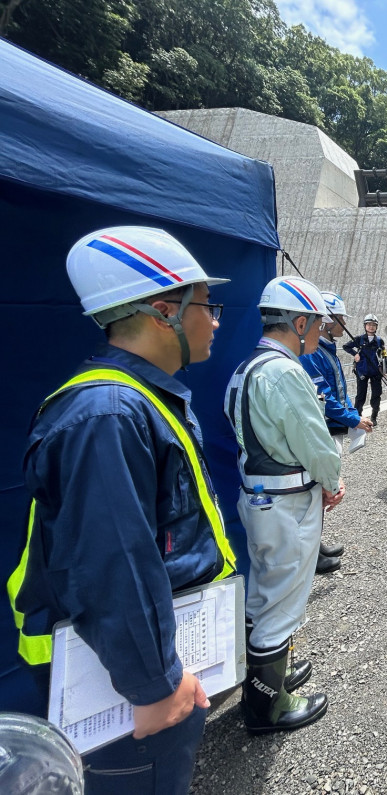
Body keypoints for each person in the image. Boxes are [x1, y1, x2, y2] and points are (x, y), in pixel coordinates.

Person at [12, 226, 237, 793]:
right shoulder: (108, 414)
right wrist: (154, 685)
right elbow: (114, 561)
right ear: (164, 312)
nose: (215, 322)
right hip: (120, 682)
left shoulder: (135, 399)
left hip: (146, 660)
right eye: (206, 306)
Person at [224, 276, 342, 734]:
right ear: (299, 323)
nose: (320, 331)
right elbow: (314, 440)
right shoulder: (286, 372)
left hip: (257, 499)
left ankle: (266, 679)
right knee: (282, 604)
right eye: (316, 323)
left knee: (262, 595)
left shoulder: (247, 368)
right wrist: (331, 481)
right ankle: (267, 707)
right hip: (286, 505)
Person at [298, 290, 373, 574]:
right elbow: (325, 397)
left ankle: (315, 545)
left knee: (322, 489)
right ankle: (310, 553)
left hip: (334, 428)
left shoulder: (325, 349)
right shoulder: (313, 353)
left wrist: (353, 416)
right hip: (325, 430)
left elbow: (338, 392)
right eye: (340, 317)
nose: (345, 323)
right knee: (318, 491)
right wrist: (353, 419)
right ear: (327, 320)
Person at [342, 313, 386, 426]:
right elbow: (346, 346)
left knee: (376, 395)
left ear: (376, 327)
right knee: (361, 395)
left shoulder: (380, 341)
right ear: (365, 326)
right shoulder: (359, 339)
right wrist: (355, 354)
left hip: (376, 371)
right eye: (369, 324)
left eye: (373, 325)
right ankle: (358, 416)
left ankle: (374, 416)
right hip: (362, 371)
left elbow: (383, 355)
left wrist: (384, 370)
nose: (371, 327)